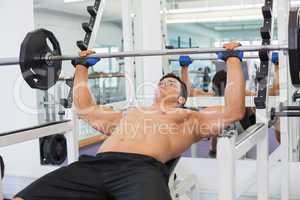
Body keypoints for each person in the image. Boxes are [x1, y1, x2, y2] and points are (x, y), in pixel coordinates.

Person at [13, 42, 245, 200]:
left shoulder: (188, 118)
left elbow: (234, 111)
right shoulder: (130, 115)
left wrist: (233, 60)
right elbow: (86, 109)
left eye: (171, 83)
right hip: (95, 166)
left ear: (182, 98)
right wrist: (81, 67)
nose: (164, 83)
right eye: (161, 81)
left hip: (140, 170)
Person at [179, 51, 281, 156]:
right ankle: (214, 150)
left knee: (224, 119)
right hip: (225, 132)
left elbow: (187, 92)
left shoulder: (239, 94)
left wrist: (184, 68)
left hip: (244, 129)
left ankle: (214, 150)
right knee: (219, 122)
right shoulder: (215, 96)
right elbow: (188, 92)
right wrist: (277, 65)